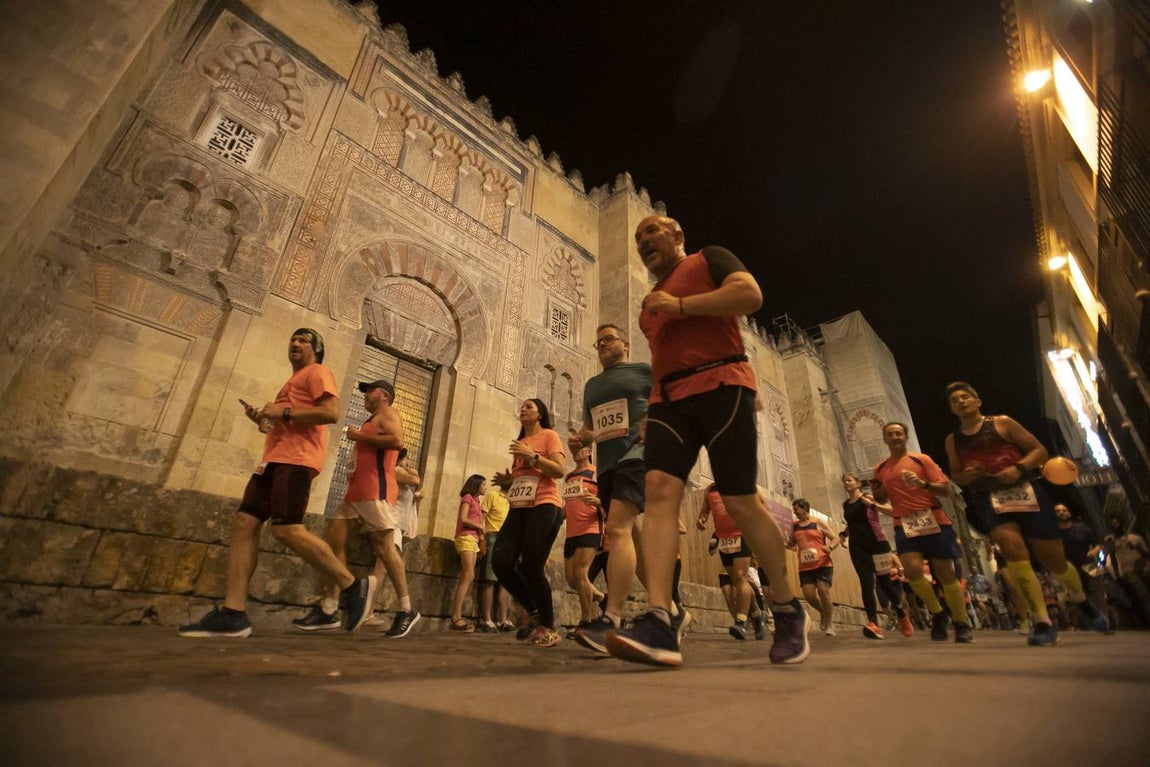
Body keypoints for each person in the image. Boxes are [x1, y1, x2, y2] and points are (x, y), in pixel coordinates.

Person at [605, 216, 808, 668]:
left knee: (740, 502)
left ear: (678, 235)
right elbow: (663, 356)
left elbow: (750, 296)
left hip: (723, 385)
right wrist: (652, 408)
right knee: (658, 496)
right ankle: (660, 618)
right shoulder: (646, 307)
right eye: (638, 238)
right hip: (669, 402)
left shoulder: (708, 259)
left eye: (652, 233)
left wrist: (678, 306)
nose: (643, 242)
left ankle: (787, 607)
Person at [179, 329, 376, 637]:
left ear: (316, 350)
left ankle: (352, 586)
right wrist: (262, 420)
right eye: (292, 340)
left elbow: (331, 413)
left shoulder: (317, 372)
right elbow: (287, 422)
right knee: (245, 522)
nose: (295, 344)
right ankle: (234, 613)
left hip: (296, 462)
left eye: (304, 341)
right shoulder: (292, 382)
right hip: (273, 460)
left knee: (287, 529)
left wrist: (283, 411)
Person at [944, 381, 1109, 645]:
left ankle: (1082, 602)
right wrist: (969, 475)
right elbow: (956, 476)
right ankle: (1042, 621)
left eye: (965, 397)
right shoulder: (953, 440)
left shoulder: (1003, 423)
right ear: (952, 409)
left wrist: (1018, 469)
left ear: (977, 401)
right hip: (988, 498)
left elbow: (1039, 450)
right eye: (955, 400)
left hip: (1026, 490)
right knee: (1013, 551)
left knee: (1054, 562)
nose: (961, 402)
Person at [571, 324, 677, 655]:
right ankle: (671, 610)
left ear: (626, 344)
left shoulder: (645, 371)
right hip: (608, 466)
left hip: (639, 454)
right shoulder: (592, 385)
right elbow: (592, 426)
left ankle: (612, 618)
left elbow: (672, 400)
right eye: (598, 341)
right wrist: (582, 437)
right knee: (634, 533)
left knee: (617, 528)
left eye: (609, 339)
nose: (603, 344)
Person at [292, 379, 421, 639]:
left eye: (369, 391)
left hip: (376, 491)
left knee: (385, 548)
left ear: (383, 395)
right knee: (334, 541)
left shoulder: (389, 414)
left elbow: (396, 441)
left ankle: (406, 609)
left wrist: (359, 436)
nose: (365, 396)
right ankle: (329, 609)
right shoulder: (373, 418)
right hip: (356, 491)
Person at [871, 421, 974, 644]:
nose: (895, 437)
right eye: (890, 434)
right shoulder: (880, 469)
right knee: (913, 572)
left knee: (946, 574)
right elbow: (880, 496)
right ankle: (938, 614)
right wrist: (876, 493)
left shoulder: (922, 460)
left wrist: (922, 483)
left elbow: (946, 489)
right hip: (904, 524)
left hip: (934, 520)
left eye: (899, 433)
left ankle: (961, 622)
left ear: (905, 436)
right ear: (885, 439)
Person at [490, 398, 566, 648]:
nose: (524, 409)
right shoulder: (520, 442)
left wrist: (532, 456)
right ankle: (533, 609)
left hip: (545, 505)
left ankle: (549, 627)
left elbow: (558, 470)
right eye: (522, 406)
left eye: (530, 407)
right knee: (500, 561)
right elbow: (525, 479)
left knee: (532, 565)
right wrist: (508, 480)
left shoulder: (549, 436)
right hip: (519, 508)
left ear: (540, 413)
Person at [841, 473, 911, 638]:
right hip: (857, 547)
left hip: (877, 545)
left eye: (849, 480)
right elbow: (852, 524)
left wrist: (874, 504)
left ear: (858, 483)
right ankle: (873, 623)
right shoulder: (845, 505)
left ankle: (901, 615)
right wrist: (844, 533)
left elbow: (893, 511)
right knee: (866, 583)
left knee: (884, 583)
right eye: (844, 482)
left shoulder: (869, 498)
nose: (846, 483)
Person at [697, 483, 757, 641]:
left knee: (740, 577)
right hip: (724, 539)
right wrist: (701, 520)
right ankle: (757, 614)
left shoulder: (739, 481)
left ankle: (741, 622)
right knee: (736, 581)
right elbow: (704, 511)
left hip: (742, 534)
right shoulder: (709, 490)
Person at [563, 446, 604, 631]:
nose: (575, 452)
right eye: (573, 449)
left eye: (579, 449)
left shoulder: (597, 473)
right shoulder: (569, 477)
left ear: (588, 451)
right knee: (572, 580)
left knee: (581, 574)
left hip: (591, 527)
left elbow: (610, 498)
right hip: (571, 531)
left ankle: (586, 622)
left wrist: (600, 501)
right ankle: (604, 599)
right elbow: (568, 504)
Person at [789, 499, 840, 637]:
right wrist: (787, 543)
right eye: (794, 509)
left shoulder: (817, 523)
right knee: (810, 596)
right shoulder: (794, 526)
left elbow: (835, 538)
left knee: (823, 591)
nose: (795, 511)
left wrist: (830, 547)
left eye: (797, 509)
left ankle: (829, 625)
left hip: (822, 563)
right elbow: (792, 541)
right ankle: (823, 612)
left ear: (805, 509)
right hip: (805, 567)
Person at [448, 474, 487, 632]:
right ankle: (456, 616)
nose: (485, 487)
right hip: (465, 537)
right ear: (476, 485)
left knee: (469, 575)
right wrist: (480, 527)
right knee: (468, 574)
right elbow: (463, 518)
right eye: (483, 484)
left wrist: (481, 537)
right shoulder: (468, 497)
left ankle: (457, 615)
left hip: (473, 539)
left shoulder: (477, 501)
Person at [477, 474, 513, 632]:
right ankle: (487, 618)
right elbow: (482, 518)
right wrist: (481, 538)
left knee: (506, 581)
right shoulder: (492, 495)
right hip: (493, 537)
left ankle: (503, 619)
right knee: (490, 579)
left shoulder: (513, 501)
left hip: (509, 541)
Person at [1103, 512, 1150, 626]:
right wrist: (1117, 574)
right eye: (1112, 523)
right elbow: (1112, 557)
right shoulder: (1112, 541)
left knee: (1144, 596)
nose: (1115, 525)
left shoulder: (1135, 538)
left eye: (1117, 522)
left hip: (1143, 570)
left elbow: (1147, 553)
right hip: (1128, 574)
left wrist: (1136, 549)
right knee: (1138, 598)